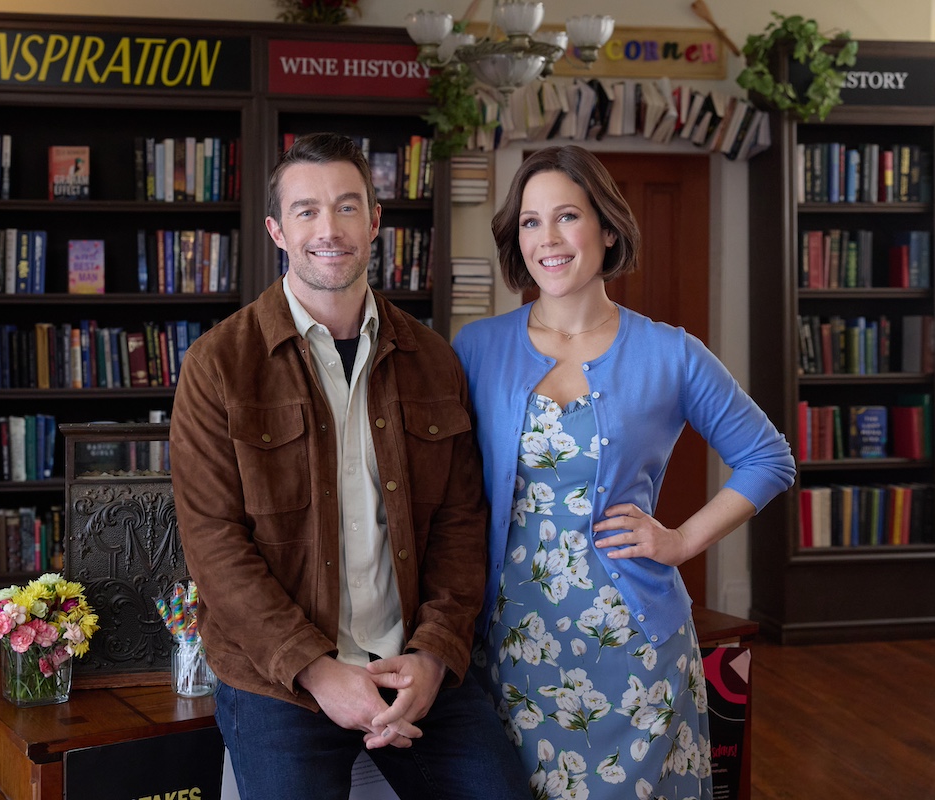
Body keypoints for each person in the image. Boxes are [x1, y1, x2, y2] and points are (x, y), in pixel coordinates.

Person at [169, 132, 530, 800]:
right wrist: (316, 670)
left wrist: (433, 655)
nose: (328, 229)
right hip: (280, 683)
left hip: (412, 668)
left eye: (345, 207)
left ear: (375, 221)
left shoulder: (431, 358)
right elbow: (214, 545)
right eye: (306, 211)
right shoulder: (218, 365)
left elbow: (459, 525)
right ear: (277, 228)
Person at [452, 145, 796, 800]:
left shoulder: (671, 353)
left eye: (566, 217)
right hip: (510, 648)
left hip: (635, 655)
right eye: (529, 222)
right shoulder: (476, 347)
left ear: (607, 229)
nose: (547, 239)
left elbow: (767, 457)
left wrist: (682, 541)